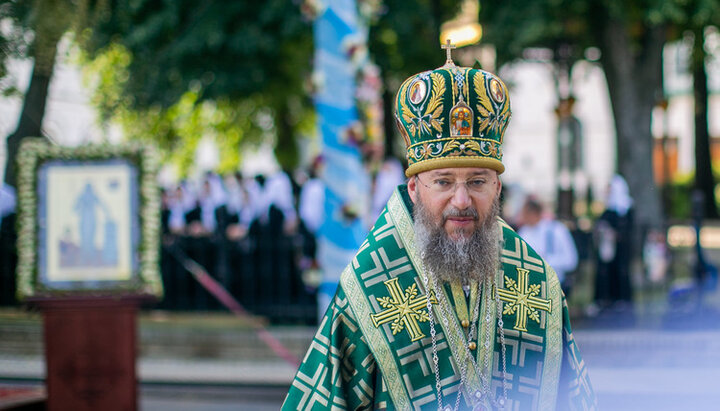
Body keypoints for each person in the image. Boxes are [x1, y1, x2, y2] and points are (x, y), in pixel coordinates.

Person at [283, 45, 596, 410]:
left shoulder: (536, 281)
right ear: (414, 188)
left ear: (497, 187)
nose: (461, 201)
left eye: (477, 182)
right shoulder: (368, 285)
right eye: (444, 182)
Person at [518, 196, 578, 297]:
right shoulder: (523, 232)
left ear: (534, 213)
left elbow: (571, 261)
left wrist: (543, 261)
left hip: (554, 287)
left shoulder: (556, 230)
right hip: (529, 289)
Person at [593, 174, 634, 311]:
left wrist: (616, 234)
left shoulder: (626, 209)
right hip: (608, 247)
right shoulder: (608, 209)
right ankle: (605, 298)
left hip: (621, 248)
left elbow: (627, 230)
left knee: (621, 271)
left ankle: (622, 298)